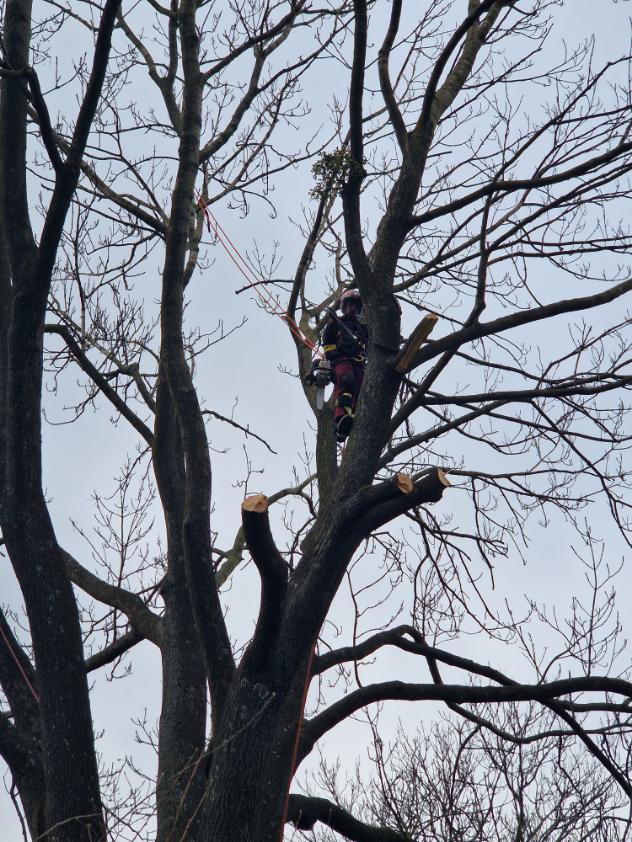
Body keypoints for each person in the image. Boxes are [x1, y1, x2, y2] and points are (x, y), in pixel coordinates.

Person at [321, 288, 368, 442]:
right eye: (349, 305)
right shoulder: (336, 322)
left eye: (355, 305)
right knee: (347, 382)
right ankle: (341, 418)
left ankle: (354, 418)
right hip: (341, 362)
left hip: (359, 364)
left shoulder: (363, 329)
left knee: (362, 392)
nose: (352, 308)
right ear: (344, 306)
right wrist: (333, 354)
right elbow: (327, 341)